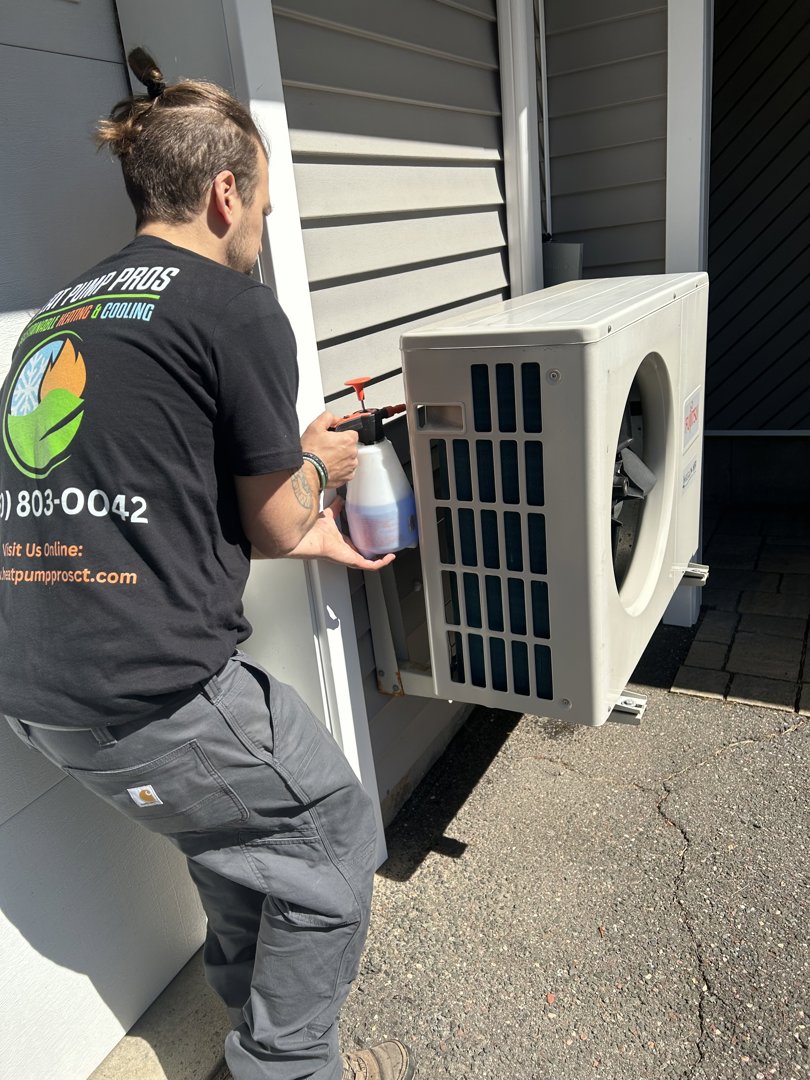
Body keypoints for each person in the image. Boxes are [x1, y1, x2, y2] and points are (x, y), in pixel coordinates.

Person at [0, 48, 414, 1080]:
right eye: (264, 206)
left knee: (237, 842)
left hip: (39, 701)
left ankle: (252, 1037)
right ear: (226, 192)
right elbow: (271, 522)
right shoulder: (231, 307)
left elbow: (146, 484)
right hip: (151, 696)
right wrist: (317, 469)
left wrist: (304, 521)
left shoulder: (60, 313)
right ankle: (287, 1068)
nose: (262, 228)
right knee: (330, 828)